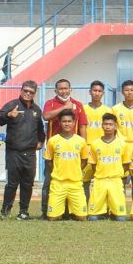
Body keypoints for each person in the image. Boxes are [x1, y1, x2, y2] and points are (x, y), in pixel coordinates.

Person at [0, 80, 44, 220]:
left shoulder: (36, 109)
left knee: (27, 183)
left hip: (30, 153)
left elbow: (40, 128)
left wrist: (41, 140)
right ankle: (5, 211)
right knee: (12, 183)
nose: (28, 94)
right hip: (14, 151)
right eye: (25, 91)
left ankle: (24, 211)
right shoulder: (12, 105)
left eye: (31, 92)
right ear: (21, 90)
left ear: (34, 93)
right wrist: (8, 115)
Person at [41, 79, 87, 218]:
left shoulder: (78, 105)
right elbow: (46, 116)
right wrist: (65, 107)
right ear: (56, 90)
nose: (63, 91)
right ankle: (46, 211)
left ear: (70, 89)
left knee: (74, 183)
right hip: (54, 149)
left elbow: (83, 126)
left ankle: (70, 212)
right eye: (60, 89)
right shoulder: (50, 103)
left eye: (66, 88)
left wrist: (84, 145)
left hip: (73, 150)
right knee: (50, 182)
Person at [44, 110, 89, 221]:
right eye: (64, 121)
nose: (67, 124)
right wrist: (57, 170)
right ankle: (61, 212)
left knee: (82, 217)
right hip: (58, 183)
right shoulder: (53, 141)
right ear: (59, 123)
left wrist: (76, 170)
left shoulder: (81, 141)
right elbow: (49, 160)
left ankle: (70, 212)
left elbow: (84, 160)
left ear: (74, 123)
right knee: (52, 218)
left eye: (69, 121)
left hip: (75, 183)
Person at [86, 113, 131, 221]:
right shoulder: (95, 144)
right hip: (100, 181)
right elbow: (93, 164)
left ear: (115, 126)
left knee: (121, 219)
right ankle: (102, 212)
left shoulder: (123, 144)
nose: (108, 127)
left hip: (115, 180)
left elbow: (126, 164)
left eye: (111, 124)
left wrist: (117, 173)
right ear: (102, 125)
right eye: (105, 124)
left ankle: (114, 212)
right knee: (92, 217)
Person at [113, 79, 133, 154]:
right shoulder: (115, 109)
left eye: (132, 90)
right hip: (121, 144)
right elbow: (113, 128)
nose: (129, 92)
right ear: (122, 92)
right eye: (126, 90)